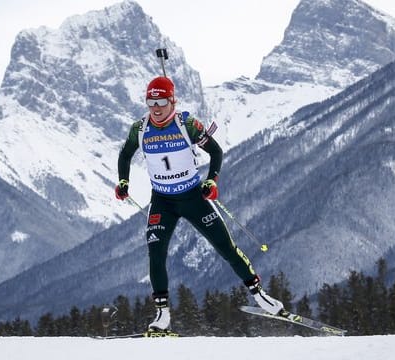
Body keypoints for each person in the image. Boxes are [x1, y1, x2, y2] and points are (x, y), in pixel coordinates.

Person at [115, 76, 284, 331]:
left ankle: (260, 295)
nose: (156, 107)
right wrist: (123, 182)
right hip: (162, 201)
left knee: (226, 248)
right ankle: (162, 315)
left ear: (172, 101)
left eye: (161, 101)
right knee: (156, 254)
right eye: (151, 102)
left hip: (193, 197)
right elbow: (125, 154)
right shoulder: (139, 129)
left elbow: (216, 152)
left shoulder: (187, 125)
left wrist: (211, 181)